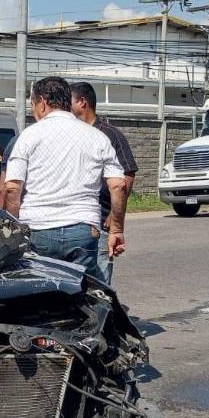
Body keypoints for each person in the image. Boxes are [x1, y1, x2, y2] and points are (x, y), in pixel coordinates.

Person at [3, 76, 126, 281]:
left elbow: (11, 188)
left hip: (37, 229)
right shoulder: (97, 137)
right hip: (83, 230)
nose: (33, 111)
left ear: (42, 103)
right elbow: (119, 185)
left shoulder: (28, 136)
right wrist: (117, 230)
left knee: (39, 290)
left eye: (32, 105)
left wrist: (12, 229)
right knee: (85, 290)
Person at [70, 82, 137, 283]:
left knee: (98, 282)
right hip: (73, 219)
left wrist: (114, 216)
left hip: (100, 222)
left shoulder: (110, 135)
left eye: (68, 101)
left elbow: (127, 174)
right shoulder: (70, 133)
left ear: (82, 102)